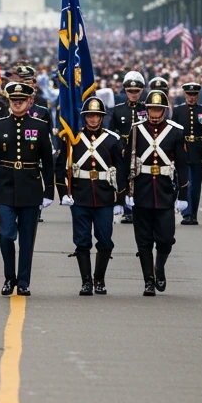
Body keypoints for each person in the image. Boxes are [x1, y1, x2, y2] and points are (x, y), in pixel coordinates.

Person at [0, 81, 55, 296]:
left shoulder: (39, 126)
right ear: (9, 102)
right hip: (5, 186)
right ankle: (10, 277)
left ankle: (24, 281)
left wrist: (49, 191)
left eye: (21, 101)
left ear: (30, 102)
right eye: (14, 100)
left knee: (27, 239)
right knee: (7, 235)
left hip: (30, 187)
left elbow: (48, 161)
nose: (17, 104)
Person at [56, 97, 125, 295]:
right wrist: (63, 193)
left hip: (104, 197)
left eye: (97, 116)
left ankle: (99, 279)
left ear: (102, 117)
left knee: (105, 240)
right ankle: (86, 281)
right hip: (80, 195)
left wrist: (120, 199)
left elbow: (120, 170)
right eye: (90, 115)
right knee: (82, 240)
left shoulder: (113, 139)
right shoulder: (72, 137)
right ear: (84, 117)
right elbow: (60, 166)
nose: (93, 119)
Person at [123, 89, 188, 296]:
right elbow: (128, 162)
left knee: (166, 238)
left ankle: (159, 268)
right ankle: (148, 281)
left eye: (158, 109)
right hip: (141, 190)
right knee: (143, 240)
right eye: (151, 109)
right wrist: (125, 192)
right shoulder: (136, 130)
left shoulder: (176, 131)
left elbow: (182, 165)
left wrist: (184, 194)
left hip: (165, 191)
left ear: (165, 110)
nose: (154, 113)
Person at [171, 81, 202, 225]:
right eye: (189, 95)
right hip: (182, 149)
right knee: (185, 182)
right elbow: (173, 131)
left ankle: (193, 213)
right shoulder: (178, 111)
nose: (191, 98)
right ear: (185, 94)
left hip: (198, 150)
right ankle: (186, 213)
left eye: (194, 95)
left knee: (195, 185)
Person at [108, 71, 147, 224]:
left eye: (136, 91)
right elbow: (112, 132)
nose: (133, 94)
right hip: (122, 149)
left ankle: (139, 208)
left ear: (141, 90)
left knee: (139, 179)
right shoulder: (118, 110)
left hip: (141, 149)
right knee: (122, 179)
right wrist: (118, 148)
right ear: (125, 91)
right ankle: (126, 209)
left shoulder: (146, 108)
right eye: (130, 91)